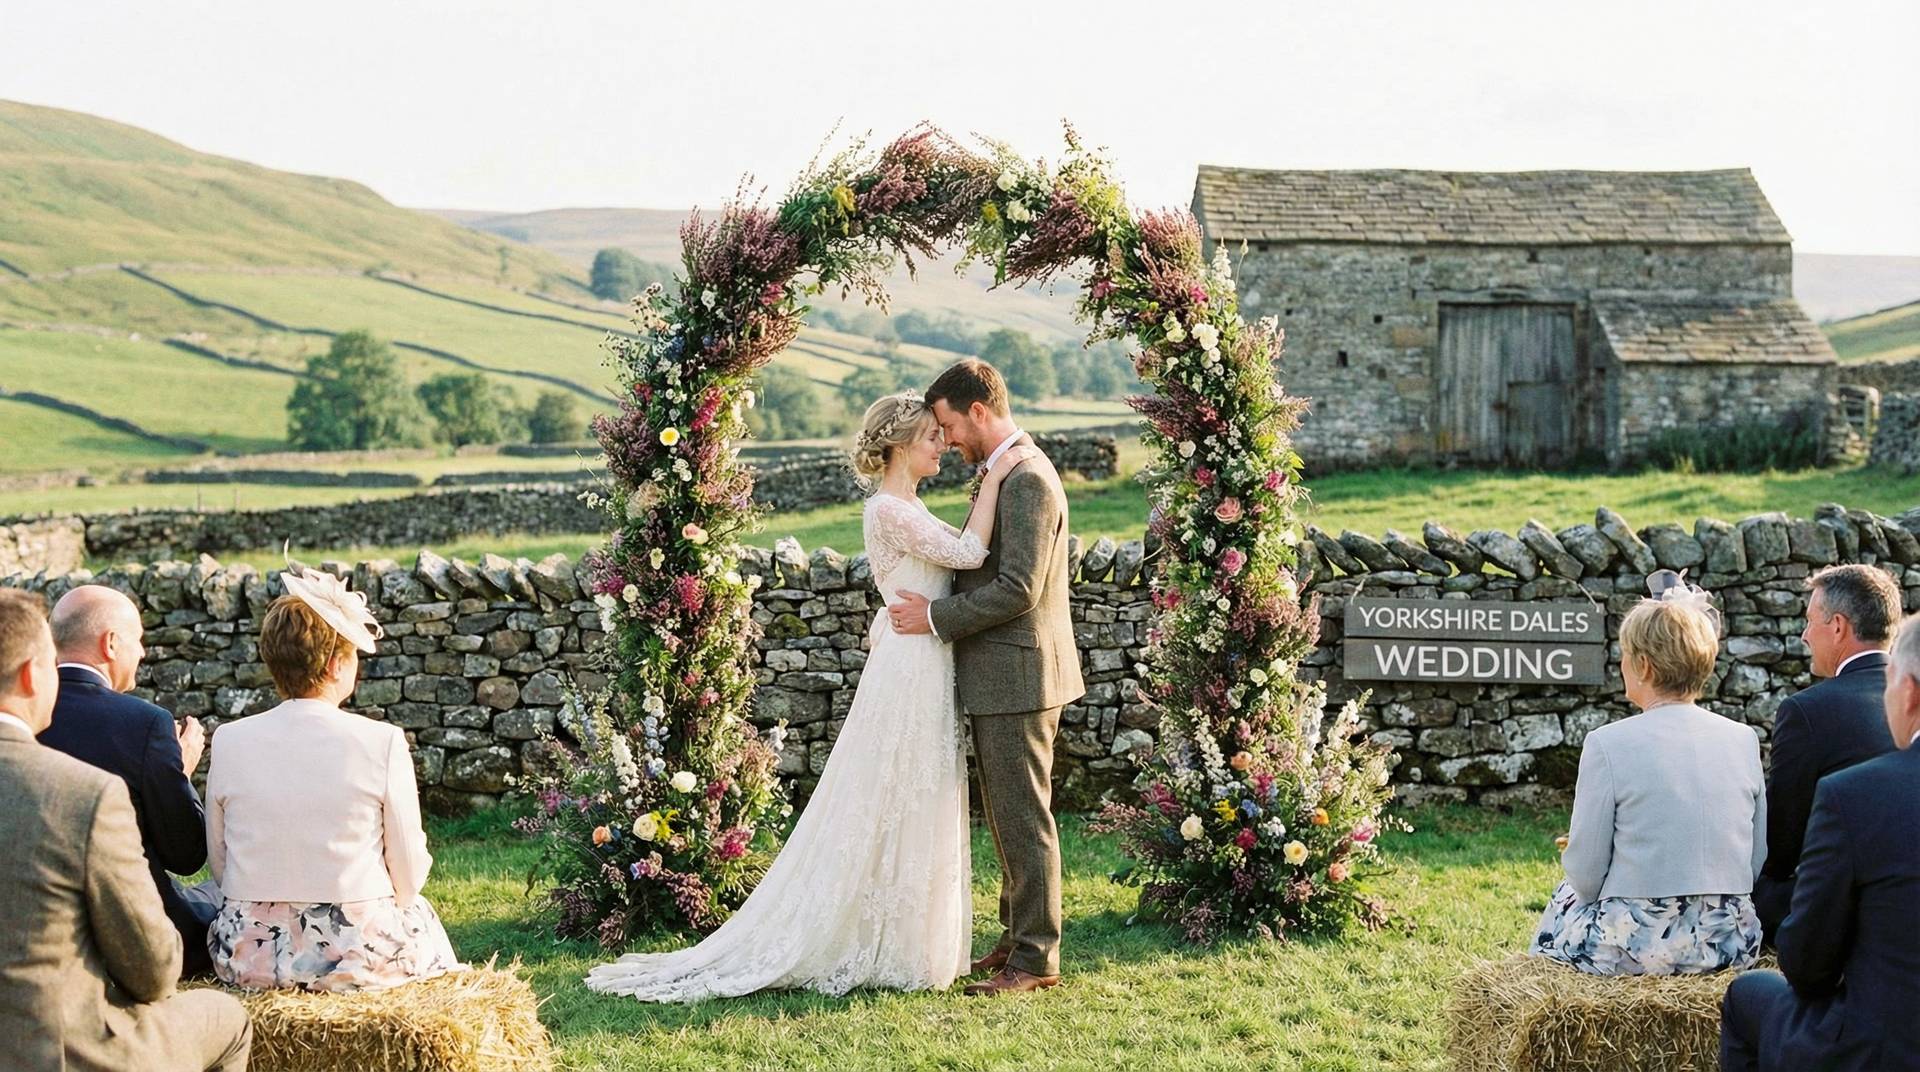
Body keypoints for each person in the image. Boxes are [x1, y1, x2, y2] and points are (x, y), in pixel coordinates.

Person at [586, 390, 1035, 1001]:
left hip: (922, 658)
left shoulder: (906, 503)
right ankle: (875, 936)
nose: (941, 443)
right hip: (910, 667)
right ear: (901, 445)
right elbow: (966, 554)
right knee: (896, 789)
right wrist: (997, 476)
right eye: (932, 435)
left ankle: (908, 935)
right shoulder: (887, 509)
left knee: (918, 791)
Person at [889, 359, 1087, 997]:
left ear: (978, 410)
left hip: (1018, 672)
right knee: (1008, 815)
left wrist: (935, 617)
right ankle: (1013, 941)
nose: (945, 439)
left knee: (1024, 817)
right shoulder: (1011, 470)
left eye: (947, 424)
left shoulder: (1026, 477)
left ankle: (1035, 960)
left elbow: (1019, 588)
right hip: (1004, 672)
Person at [0, 588, 252, 1071]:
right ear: (33, 673)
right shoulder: (91, 790)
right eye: (138, 641)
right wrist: (177, 775)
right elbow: (156, 972)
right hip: (59, 1049)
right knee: (229, 1017)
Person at [203, 566, 461, 991]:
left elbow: (220, 862)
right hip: (353, 953)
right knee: (420, 915)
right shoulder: (382, 741)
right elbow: (409, 871)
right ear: (336, 664)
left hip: (251, 954)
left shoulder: (230, 740)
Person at [1530, 572, 1766, 975]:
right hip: (1729, 940)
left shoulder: (1607, 744)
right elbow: (1755, 858)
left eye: (1624, 654)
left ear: (1643, 664)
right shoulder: (1743, 739)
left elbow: (1586, 876)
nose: (1620, 664)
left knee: (1563, 901)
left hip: (1634, 947)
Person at [1719, 609, 1920, 1071]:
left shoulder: (1853, 795)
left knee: (1746, 994)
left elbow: (1807, 969)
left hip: (1883, 1049)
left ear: (1907, 691)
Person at [38, 583, 219, 977]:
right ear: (111, 644)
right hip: (135, 936)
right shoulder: (144, 723)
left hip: (40, 933)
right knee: (219, 899)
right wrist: (181, 775)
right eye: (138, 640)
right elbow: (186, 856)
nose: (142, 652)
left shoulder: (24, 715)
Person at [1752, 564, 1899, 941]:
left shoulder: (1808, 711)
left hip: (1852, 905)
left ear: (1837, 626)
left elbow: (1780, 848)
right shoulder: (1910, 695)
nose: (1803, 636)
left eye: (1809, 622)